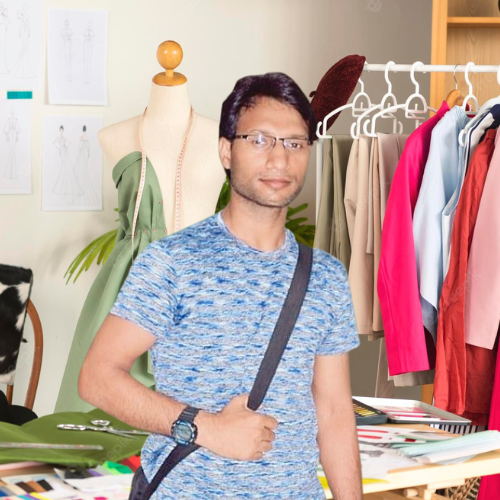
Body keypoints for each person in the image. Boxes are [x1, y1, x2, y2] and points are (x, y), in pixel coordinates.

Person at [78, 72, 362, 499]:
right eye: (260, 140)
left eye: (295, 143)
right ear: (227, 150)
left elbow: (335, 411)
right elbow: (97, 377)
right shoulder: (173, 262)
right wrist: (206, 428)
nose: (279, 159)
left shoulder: (325, 276)